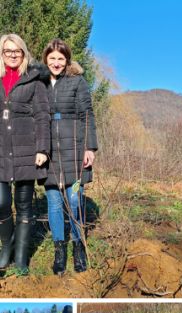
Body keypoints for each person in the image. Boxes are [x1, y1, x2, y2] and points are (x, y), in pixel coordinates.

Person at [42, 39, 98, 274]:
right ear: (46, 59)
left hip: (75, 151)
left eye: (60, 58)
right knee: (54, 203)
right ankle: (59, 249)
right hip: (49, 152)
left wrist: (90, 148)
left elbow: (87, 115)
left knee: (74, 200)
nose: (56, 63)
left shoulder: (77, 81)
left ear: (67, 61)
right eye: (52, 58)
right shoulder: (39, 83)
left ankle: (78, 247)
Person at [0, 34, 50, 274]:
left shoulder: (34, 80)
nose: (12, 54)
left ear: (23, 52)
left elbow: (42, 116)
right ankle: (5, 249)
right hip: (0, 149)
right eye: (7, 50)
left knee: (23, 206)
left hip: (26, 149)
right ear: (1, 53)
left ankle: (20, 259)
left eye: (16, 50)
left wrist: (42, 149)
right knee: (1, 202)